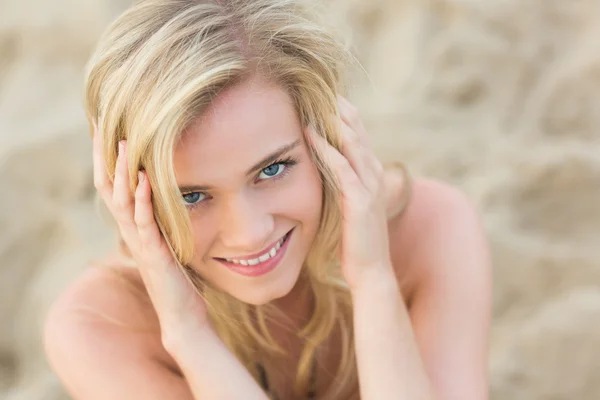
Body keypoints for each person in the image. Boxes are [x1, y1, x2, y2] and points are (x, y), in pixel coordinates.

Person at [43, 0, 492, 399]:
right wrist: (188, 333)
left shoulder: (433, 229)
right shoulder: (96, 327)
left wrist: (374, 280)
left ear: (329, 139)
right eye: (192, 196)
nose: (250, 233)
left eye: (272, 169)